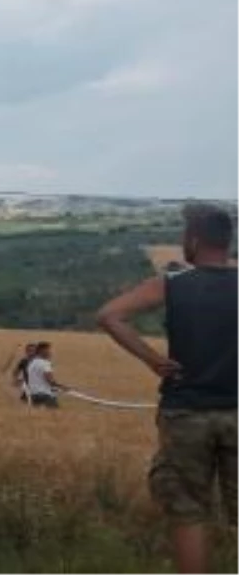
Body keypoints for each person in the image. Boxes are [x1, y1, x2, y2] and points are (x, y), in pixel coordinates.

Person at [97, 203, 239, 575]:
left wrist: (152, 360)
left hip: (186, 413)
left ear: (193, 239)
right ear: (227, 241)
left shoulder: (172, 285)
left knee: (188, 513)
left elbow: (109, 315)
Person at [23, 342, 66, 408]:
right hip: (45, 396)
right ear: (42, 351)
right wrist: (63, 387)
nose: (50, 352)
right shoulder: (45, 363)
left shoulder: (32, 363)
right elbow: (50, 381)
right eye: (48, 350)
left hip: (33, 396)